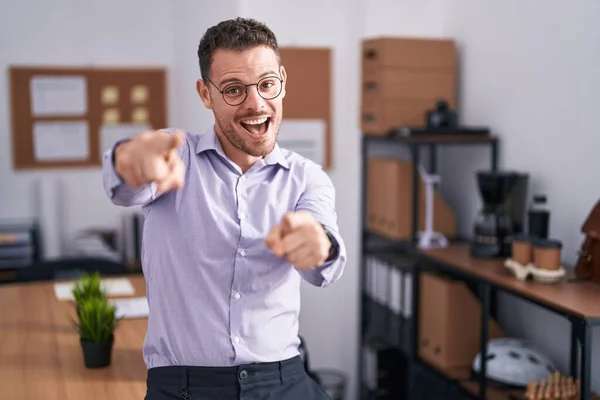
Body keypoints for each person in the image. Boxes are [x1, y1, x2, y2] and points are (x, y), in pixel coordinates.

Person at [102, 17, 347, 400]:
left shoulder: (306, 178)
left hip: (282, 381)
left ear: (282, 80)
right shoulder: (174, 155)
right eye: (234, 90)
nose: (256, 104)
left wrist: (320, 245)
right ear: (205, 93)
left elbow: (324, 259)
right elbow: (124, 184)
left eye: (267, 84)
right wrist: (126, 157)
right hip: (183, 386)